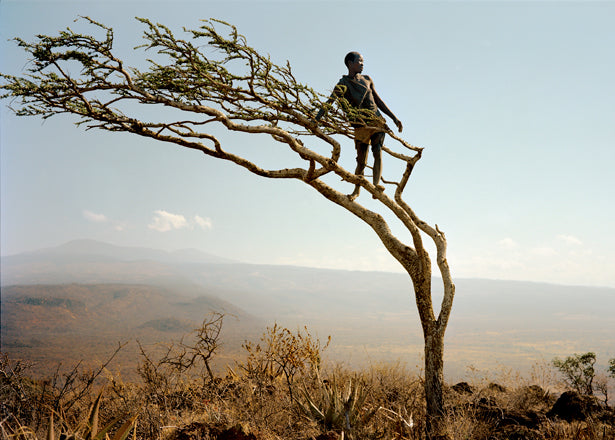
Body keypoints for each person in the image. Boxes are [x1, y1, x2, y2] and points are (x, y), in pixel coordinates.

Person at [316, 51, 403, 200]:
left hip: (376, 121)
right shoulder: (343, 84)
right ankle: (357, 190)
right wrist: (315, 120)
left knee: (377, 152)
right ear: (350, 63)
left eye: (363, 62)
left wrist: (394, 118)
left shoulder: (367, 79)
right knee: (361, 160)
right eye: (359, 61)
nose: (362, 64)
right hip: (360, 124)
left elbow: (379, 101)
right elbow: (329, 103)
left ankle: (376, 187)